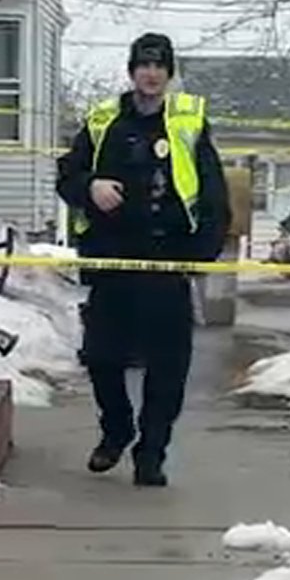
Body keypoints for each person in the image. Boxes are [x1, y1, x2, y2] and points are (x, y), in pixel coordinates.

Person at [56, 32, 230, 488]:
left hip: (167, 258)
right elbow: (67, 176)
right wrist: (90, 186)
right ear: (131, 71)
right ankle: (116, 431)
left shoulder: (188, 123)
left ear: (169, 74)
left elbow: (213, 192)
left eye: (159, 66)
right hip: (113, 258)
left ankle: (151, 453)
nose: (151, 73)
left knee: (168, 365)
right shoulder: (102, 121)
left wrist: (200, 252)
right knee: (102, 358)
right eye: (143, 65)